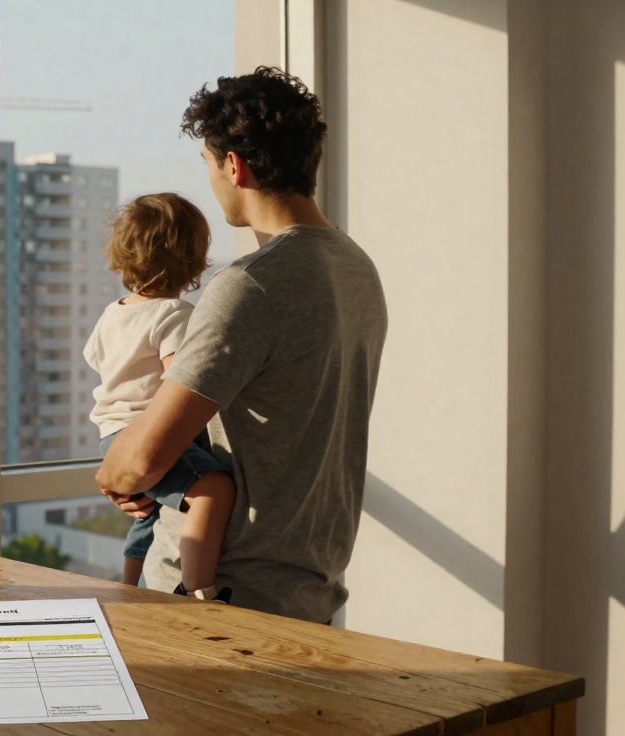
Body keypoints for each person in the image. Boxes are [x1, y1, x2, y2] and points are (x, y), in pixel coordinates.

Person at [95, 66, 389, 623]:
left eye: (208, 163)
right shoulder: (357, 268)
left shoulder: (249, 284)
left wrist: (113, 475)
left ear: (235, 165)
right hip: (309, 591)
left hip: (215, 604)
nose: (210, 178)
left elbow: (140, 459)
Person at [83, 193, 235, 600]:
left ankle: (128, 587)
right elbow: (179, 379)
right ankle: (199, 589)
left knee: (149, 513)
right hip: (146, 433)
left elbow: (96, 358)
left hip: (112, 435)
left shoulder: (112, 312)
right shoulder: (174, 314)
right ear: (194, 260)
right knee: (213, 489)